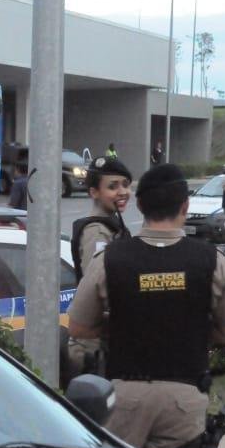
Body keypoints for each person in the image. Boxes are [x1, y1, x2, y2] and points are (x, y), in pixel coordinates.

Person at [68, 163, 225, 448]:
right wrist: (188, 330)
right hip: (184, 396)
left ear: (140, 204)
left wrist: (126, 327)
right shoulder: (213, 261)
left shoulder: (109, 259)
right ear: (185, 206)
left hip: (124, 395)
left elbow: (79, 326)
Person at [66, 157, 133, 376]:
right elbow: (97, 284)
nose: (122, 191)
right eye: (112, 187)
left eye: (125, 184)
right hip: (94, 346)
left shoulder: (113, 225)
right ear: (94, 192)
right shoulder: (97, 231)